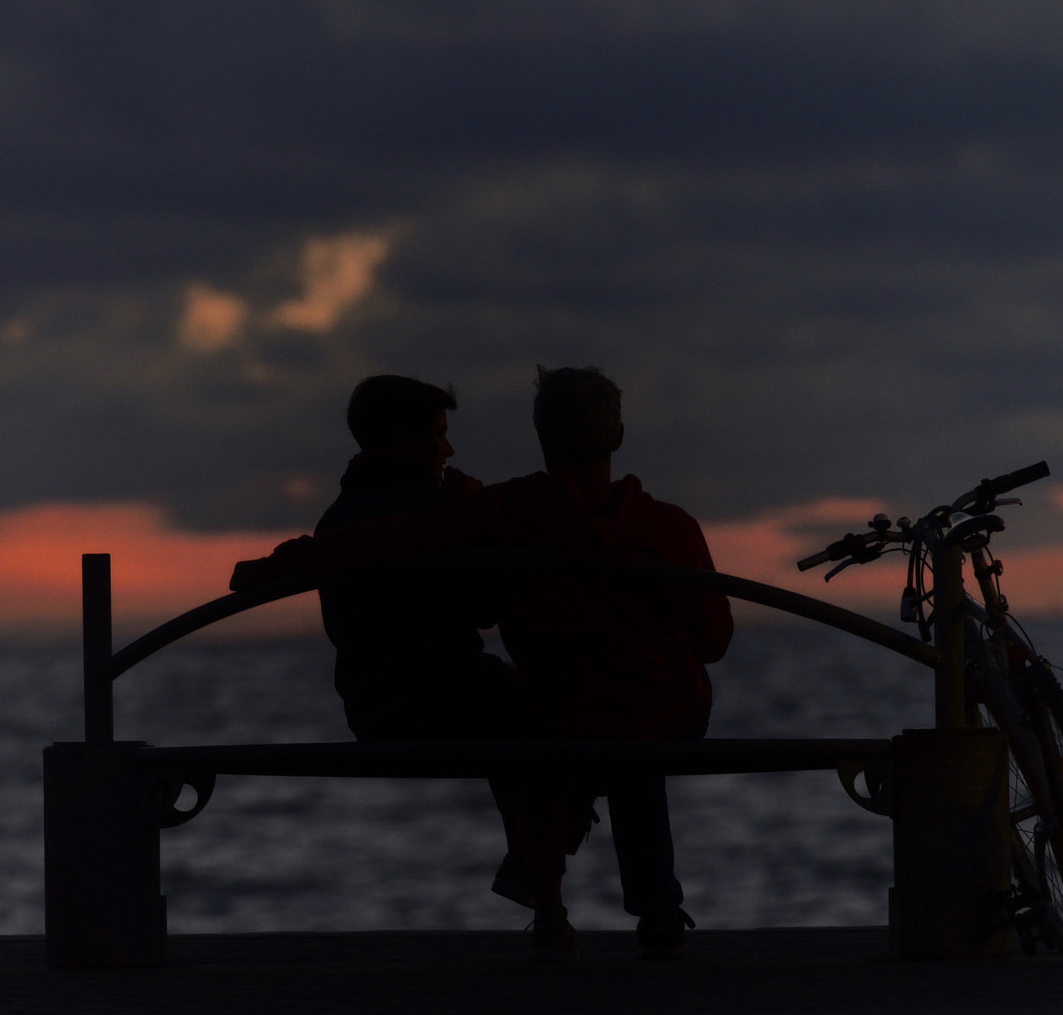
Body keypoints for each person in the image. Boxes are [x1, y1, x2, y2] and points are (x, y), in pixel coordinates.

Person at [232, 366, 734, 961]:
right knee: (630, 734)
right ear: (618, 437)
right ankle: (656, 910)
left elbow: (383, 541)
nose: (448, 446)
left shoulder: (505, 509)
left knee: (580, 721)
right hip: (660, 716)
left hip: (562, 710)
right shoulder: (672, 527)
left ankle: (560, 901)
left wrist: (272, 566)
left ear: (543, 440)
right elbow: (714, 642)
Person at [313, 375, 531, 906]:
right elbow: (485, 609)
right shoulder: (439, 510)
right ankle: (537, 876)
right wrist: (475, 517)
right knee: (563, 709)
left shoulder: (333, 520)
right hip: (450, 706)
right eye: (439, 433)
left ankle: (533, 868)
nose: (450, 448)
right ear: (405, 436)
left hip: (371, 713)